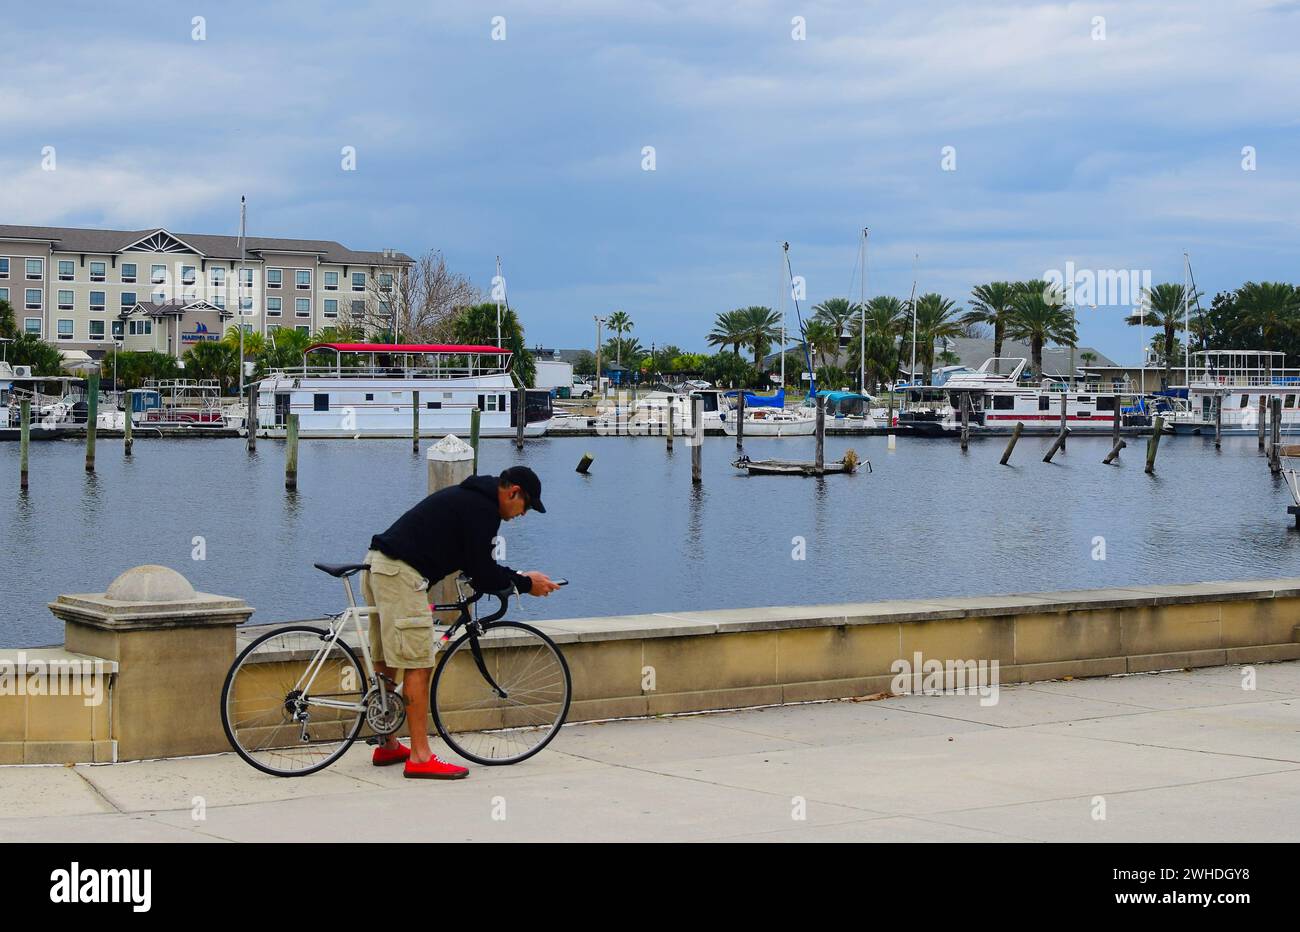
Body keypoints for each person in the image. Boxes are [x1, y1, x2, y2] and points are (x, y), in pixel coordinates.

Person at [362, 466, 560, 779]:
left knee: (389, 656)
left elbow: (474, 562)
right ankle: (420, 757)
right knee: (417, 663)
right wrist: (525, 583)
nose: (524, 515)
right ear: (514, 492)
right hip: (402, 574)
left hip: (379, 563)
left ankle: (387, 743)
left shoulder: (471, 498)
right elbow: (482, 569)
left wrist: (511, 579)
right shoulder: (483, 510)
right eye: (527, 506)